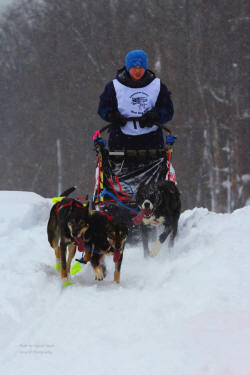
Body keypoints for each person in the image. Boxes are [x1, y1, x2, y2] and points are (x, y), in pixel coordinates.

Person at [97, 49, 174, 151]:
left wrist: (156, 115)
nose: (137, 71)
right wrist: (113, 116)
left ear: (145, 67)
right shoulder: (114, 87)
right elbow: (103, 108)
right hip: (121, 140)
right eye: (134, 67)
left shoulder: (157, 86)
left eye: (140, 67)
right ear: (128, 67)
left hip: (151, 141)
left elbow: (168, 110)